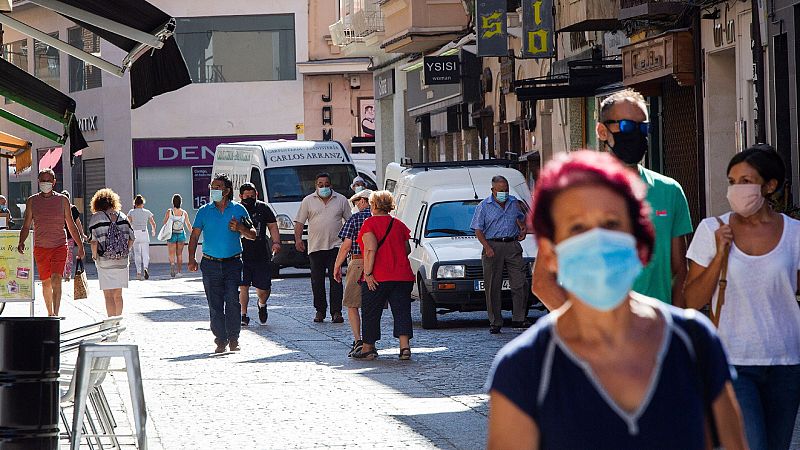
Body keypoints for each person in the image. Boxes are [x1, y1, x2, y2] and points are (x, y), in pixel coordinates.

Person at [486, 151, 746, 449]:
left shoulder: (694, 342)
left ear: (639, 239)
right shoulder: (525, 367)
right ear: (549, 252)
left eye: (611, 224)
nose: (597, 241)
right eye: (577, 228)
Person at [532, 88, 692, 309]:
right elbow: (542, 282)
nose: (635, 134)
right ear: (602, 131)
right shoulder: (572, 193)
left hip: (654, 335)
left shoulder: (670, 191)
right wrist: (585, 331)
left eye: (642, 127)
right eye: (626, 126)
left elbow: (680, 271)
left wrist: (672, 329)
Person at [684, 145, 800, 450]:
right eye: (732, 181)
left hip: (787, 361)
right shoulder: (712, 229)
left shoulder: (795, 234)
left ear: (769, 185)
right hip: (733, 361)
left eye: (745, 181)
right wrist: (720, 254)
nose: (736, 189)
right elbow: (691, 299)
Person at [188, 173, 256, 353]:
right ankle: (220, 340)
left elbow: (253, 234)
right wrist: (191, 258)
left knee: (233, 301)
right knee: (215, 304)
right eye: (212, 187)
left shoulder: (239, 209)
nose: (213, 190)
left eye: (217, 187)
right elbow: (194, 236)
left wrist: (240, 228)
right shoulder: (204, 211)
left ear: (226, 191)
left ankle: (234, 338)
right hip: (210, 264)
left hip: (233, 263)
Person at [352, 191, 415, 361]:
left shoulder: (369, 224)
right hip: (402, 275)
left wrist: (368, 273)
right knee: (402, 311)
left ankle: (368, 348)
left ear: (373, 205)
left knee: (371, 312)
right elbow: (407, 249)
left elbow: (371, 249)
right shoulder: (399, 224)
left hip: (378, 276)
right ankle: (405, 348)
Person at [18, 169, 85, 316]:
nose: (46, 183)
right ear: (38, 182)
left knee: (56, 278)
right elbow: (26, 224)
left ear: (54, 182)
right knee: (46, 282)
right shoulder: (32, 201)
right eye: (43, 180)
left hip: (60, 246)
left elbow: (71, 224)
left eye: (49, 180)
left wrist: (80, 245)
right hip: (41, 247)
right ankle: (49, 313)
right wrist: (21, 241)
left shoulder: (62, 200)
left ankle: (55, 313)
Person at [471, 175, 530, 334]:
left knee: (520, 282)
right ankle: (495, 321)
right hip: (492, 246)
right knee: (492, 286)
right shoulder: (484, 206)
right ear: (493, 190)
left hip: (512, 245)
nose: (504, 193)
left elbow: (521, 220)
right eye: (501, 190)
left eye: (506, 190)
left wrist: (522, 229)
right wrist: (487, 247)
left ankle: (519, 318)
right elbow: (478, 229)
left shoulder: (514, 203)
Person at [294, 173, 352, 323]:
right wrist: (298, 239)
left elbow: (349, 221)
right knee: (317, 281)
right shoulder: (308, 201)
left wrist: (348, 240)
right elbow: (300, 222)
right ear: (316, 186)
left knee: (336, 279)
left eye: (326, 183)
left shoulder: (341, 200)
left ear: (331, 185)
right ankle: (320, 310)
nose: (323, 186)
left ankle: (336, 312)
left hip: (336, 246)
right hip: (316, 246)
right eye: (320, 184)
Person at [333, 188, 372, 357]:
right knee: (371, 305)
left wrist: (337, 266)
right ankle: (371, 341)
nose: (356, 206)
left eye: (356, 202)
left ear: (363, 201)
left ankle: (358, 340)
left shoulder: (356, 218)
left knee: (352, 304)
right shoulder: (383, 218)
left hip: (358, 262)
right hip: (377, 264)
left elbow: (346, 245)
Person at [237, 183, 280, 326]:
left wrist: (276, 242)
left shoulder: (263, 208)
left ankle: (262, 304)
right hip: (241, 253)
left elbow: (273, 226)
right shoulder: (236, 209)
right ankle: (243, 314)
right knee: (243, 285)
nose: (250, 198)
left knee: (264, 289)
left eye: (252, 195)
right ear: (241, 196)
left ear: (256, 194)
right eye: (246, 195)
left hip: (261, 253)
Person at [87, 188, 134, 317]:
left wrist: (94, 256)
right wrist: (124, 251)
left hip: (105, 261)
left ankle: (111, 322)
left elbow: (94, 241)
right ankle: (118, 321)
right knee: (118, 295)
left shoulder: (96, 218)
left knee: (108, 295)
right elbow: (132, 238)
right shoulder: (123, 216)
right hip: (122, 261)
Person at [127, 195, 156, 281]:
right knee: (145, 253)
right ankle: (145, 268)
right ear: (142, 203)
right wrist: (153, 231)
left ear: (135, 204)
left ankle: (139, 272)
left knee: (137, 253)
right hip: (144, 233)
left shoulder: (131, 212)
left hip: (135, 233)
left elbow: (128, 223)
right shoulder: (147, 212)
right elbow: (153, 223)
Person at [163, 194, 192, 278]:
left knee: (171, 253)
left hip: (171, 234)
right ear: (181, 202)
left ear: (173, 202)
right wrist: (193, 233)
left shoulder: (169, 211)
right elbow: (188, 224)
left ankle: (172, 265)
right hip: (181, 234)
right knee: (179, 254)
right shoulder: (184, 213)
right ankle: (179, 272)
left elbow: (164, 222)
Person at [61, 190, 85, 281]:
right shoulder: (58, 208)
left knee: (68, 255)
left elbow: (78, 223)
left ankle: (67, 274)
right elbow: (78, 223)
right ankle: (65, 274)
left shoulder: (72, 209)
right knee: (65, 255)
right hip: (63, 236)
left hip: (69, 236)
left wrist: (82, 234)